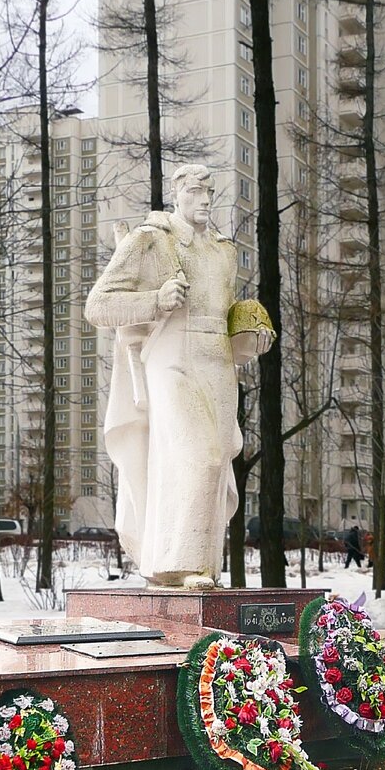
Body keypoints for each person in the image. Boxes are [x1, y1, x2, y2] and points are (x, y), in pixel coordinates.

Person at [85, 164, 275, 588]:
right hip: (171, 356)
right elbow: (98, 306)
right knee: (199, 453)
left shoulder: (223, 251)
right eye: (195, 191)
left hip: (217, 362)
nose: (205, 199)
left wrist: (249, 340)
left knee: (216, 456)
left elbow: (225, 318)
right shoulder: (150, 240)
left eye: (210, 191)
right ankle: (180, 563)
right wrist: (155, 299)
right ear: (178, 193)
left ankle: (202, 565)